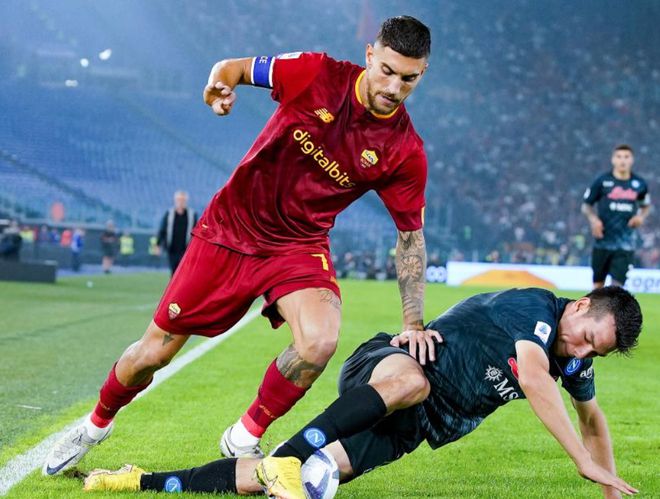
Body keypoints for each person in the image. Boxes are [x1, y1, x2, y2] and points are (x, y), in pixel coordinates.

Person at [43, 15, 434, 475]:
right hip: (229, 229)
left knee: (320, 341)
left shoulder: (405, 151)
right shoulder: (314, 73)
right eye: (387, 70)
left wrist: (413, 322)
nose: (394, 87)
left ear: (421, 73)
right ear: (370, 54)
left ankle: (244, 436)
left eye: (408, 79)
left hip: (298, 244)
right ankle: (94, 425)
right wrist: (220, 87)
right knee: (154, 353)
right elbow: (233, 68)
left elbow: (410, 237)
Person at [84, 286, 642, 498]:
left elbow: (592, 420)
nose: (584, 351)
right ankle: (291, 455)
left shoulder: (572, 358)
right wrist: (581, 463)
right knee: (413, 382)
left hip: (413, 426)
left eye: (596, 352)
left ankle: (137, 480)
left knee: (305, 481)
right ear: (579, 307)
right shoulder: (535, 309)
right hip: (393, 367)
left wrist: (611, 492)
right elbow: (534, 378)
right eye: (588, 337)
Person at [582, 145, 651, 288]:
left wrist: (640, 217)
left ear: (632, 160)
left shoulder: (639, 184)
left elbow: (646, 205)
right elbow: (586, 205)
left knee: (616, 288)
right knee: (597, 288)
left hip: (625, 245)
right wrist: (594, 220)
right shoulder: (602, 181)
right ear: (613, 160)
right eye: (619, 157)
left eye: (626, 157)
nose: (622, 160)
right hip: (602, 241)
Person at [156, 191, 197, 275]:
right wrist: (158, 245)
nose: (180, 202)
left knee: (184, 272)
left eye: (182, 200)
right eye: (178, 200)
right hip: (172, 249)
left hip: (186, 249)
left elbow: (196, 232)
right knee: (174, 272)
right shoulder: (169, 214)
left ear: (186, 201)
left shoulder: (192, 215)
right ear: (175, 201)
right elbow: (162, 230)